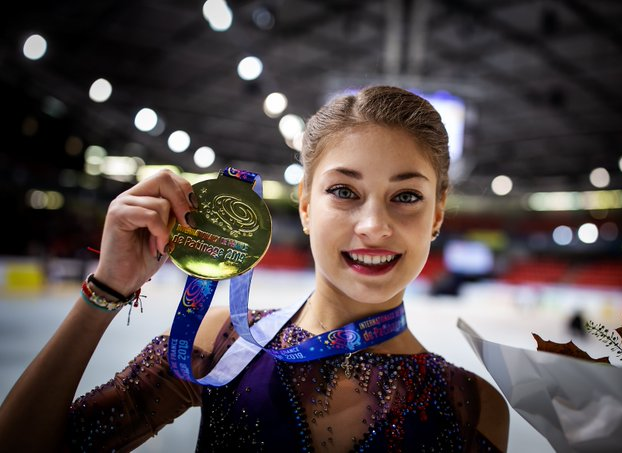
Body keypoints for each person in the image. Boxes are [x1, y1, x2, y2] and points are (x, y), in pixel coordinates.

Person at [0, 86, 509, 451]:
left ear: (437, 214)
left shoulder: (476, 408)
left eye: (406, 197)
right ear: (306, 206)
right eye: (344, 192)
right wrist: (106, 290)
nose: (374, 226)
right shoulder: (221, 344)